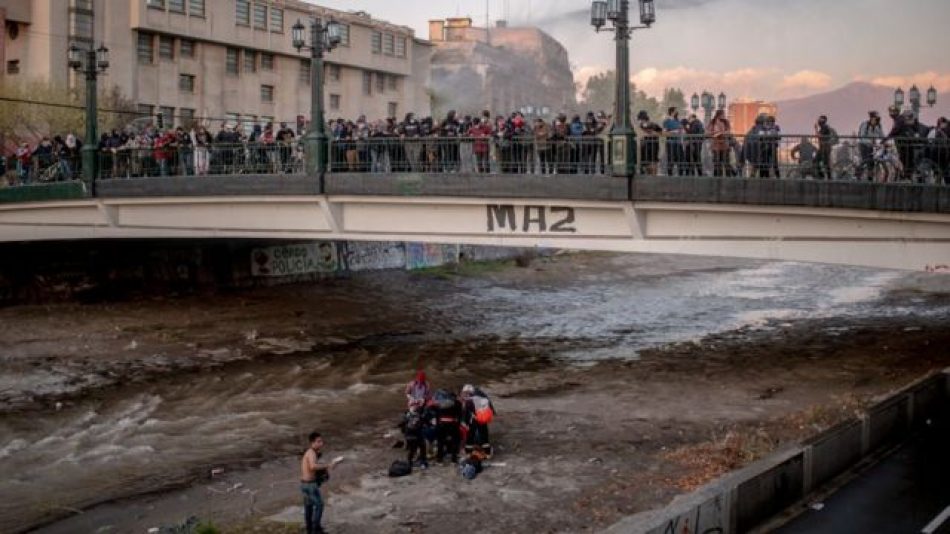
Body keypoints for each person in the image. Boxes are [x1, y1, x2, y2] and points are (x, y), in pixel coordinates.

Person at [300, 431, 341, 534]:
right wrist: (328, 465)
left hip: (304, 484)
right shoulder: (311, 453)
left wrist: (328, 467)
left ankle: (309, 529)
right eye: (318, 441)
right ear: (312, 443)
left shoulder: (310, 453)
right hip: (310, 485)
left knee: (308, 506)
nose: (321, 444)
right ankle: (316, 529)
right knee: (319, 505)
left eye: (321, 441)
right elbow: (313, 466)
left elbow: (315, 468)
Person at [460, 384, 495, 457]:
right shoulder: (483, 398)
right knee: (484, 436)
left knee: (470, 436)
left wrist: (465, 422)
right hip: (482, 420)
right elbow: (490, 408)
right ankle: (487, 452)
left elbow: (466, 412)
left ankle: (468, 452)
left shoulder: (469, 400)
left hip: (473, 420)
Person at [857, 111, 884, 181]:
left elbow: (882, 136)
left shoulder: (878, 126)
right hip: (863, 144)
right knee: (866, 160)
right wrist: (870, 141)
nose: (877, 121)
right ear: (871, 118)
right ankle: (858, 175)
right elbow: (862, 137)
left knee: (871, 162)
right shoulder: (865, 125)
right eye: (876, 119)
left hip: (871, 145)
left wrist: (885, 142)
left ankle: (870, 177)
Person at [708, 110, 732, 177]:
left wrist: (723, 133)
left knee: (726, 162)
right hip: (716, 145)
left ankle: (729, 177)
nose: (724, 116)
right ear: (719, 115)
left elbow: (729, 131)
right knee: (717, 163)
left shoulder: (726, 122)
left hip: (725, 145)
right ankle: (717, 177)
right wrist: (715, 133)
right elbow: (708, 132)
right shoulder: (713, 122)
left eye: (724, 114)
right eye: (723, 114)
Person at [662, 107, 685, 176]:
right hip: (670, 143)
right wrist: (674, 132)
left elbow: (681, 130)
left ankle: (680, 176)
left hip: (679, 143)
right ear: (672, 112)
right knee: (671, 160)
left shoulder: (678, 121)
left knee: (680, 160)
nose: (677, 112)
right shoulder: (667, 121)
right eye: (676, 111)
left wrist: (682, 131)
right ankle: (670, 175)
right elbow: (664, 133)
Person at [814, 115, 838, 180]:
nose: (818, 121)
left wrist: (816, 129)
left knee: (825, 163)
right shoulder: (822, 128)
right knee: (817, 161)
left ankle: (827, 177)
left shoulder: (825, 127)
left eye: (820, 119)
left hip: (825, 148)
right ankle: (822, 176)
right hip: (822, 147)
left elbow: (819, 136)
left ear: (823, 120)